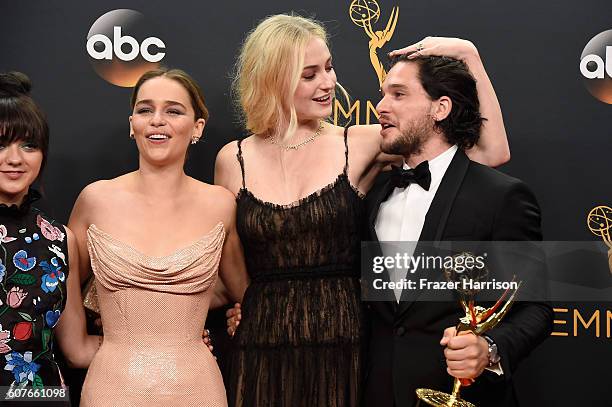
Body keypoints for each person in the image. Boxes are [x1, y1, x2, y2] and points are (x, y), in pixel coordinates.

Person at [215, 14, 510, 407]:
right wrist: (243, 307)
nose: (328, 83)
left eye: (329, 67)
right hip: (262, 343)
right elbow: (230, 263)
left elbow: (491, 152)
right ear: (272, 80)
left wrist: (469, 57)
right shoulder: (232, 160)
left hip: (346, 341)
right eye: (309, 74)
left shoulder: (362, 142)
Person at [362, 54, 554, 407]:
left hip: (466, 397)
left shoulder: (500, 196)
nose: (380, 106)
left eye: (399, 94)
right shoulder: (372, 196)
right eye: (383, 94)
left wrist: (489, 348)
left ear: (441, 108)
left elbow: (536, 309)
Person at [68, 68, 248, 406]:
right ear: (132, 123)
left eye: (174, 110)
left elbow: (243, 293)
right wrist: (77, 346)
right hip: (112, 387)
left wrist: (237, 317)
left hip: (198, 388)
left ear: (197, 128)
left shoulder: (220, 204)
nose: (157, 120)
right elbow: (59, 287)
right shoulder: (95, 200)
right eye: (145, 109)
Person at [0, 72, 100, 406]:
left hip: (39, 397)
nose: (15, 158)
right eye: (0, 144)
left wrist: (169, 343)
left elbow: (77, 350)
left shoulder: (59, 238)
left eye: (28, 145)